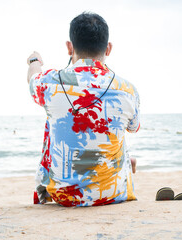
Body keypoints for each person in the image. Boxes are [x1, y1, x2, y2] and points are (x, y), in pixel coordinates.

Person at [26, 12, 140, 207]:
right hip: (113, 193)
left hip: (64, 196)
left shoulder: (49, 82)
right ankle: (122, 164)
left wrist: (35, 61)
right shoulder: (128, 90)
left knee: (52, 117)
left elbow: (32, 78)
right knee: (117, 134)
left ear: (69, 47)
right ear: (108, 48)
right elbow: (132, 128)